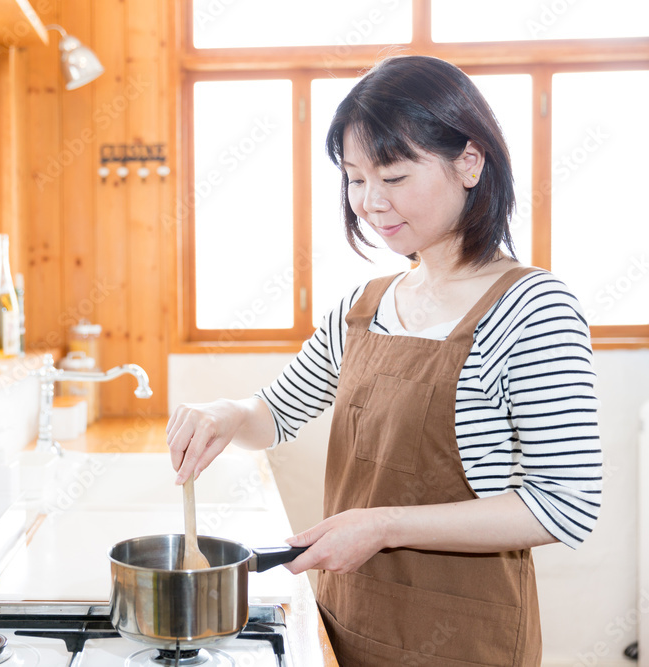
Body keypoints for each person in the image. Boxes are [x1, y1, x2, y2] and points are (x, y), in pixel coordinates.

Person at [167, 55, 601, 666]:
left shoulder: (532, 307)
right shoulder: (366, 306)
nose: (370, 202)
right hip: (348, 621)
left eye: (393, 176)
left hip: (463, 638)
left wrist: (385, 526)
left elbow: (567, 502)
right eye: (354, 176)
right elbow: (276, 414)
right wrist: (225, 412)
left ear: (469, 163)